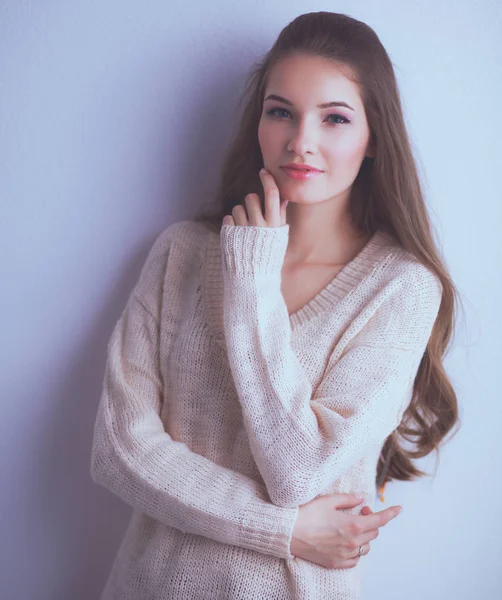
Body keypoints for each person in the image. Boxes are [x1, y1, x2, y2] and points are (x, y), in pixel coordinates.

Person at [90, 11, 461, 600]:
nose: (300, 141)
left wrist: (253, 283)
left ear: (373, 139)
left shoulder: (401, 288)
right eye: (280, 110)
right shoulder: (181, 253)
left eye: (335, 118)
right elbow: (119, 451)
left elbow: (299, 468)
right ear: (259, 120)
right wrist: (286, 529)